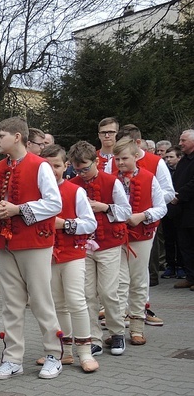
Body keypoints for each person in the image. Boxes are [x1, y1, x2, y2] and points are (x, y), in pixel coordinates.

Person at [0, 117, 63, 380]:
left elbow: (55, 204)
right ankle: (12, 358)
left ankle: (54, 354)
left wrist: (18, 209)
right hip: (6, 242)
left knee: (42, 300)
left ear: (17, 137)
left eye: (1, 136)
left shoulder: (40, 165)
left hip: (34, 241)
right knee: (12, 303)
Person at [68, 141, 131, 356]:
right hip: (83, 246)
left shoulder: (111, 182)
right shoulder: (73, 184)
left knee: (108, 292)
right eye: (78, 170)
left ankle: (117, 332)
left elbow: (126, 212)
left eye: (86, 168)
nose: (82, 173)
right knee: (87, 295)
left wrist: (104, 207)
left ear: (96, 162)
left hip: (109, 244)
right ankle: (93, 338)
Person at [39, 145, 98, 373]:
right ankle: (64, 351)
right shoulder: (37, 192)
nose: (52, 170)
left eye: (56, 165)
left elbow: (90, 223)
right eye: (47, 165)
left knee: (76, 300)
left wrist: (66, 224)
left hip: (72, 253)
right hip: (45, 254)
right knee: (57, 304)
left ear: (66, 166)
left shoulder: (75, 191)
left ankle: (85, 350)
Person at [113, 137, 166, 347]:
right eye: (117, 159)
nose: (120, 163)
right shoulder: (112, 180)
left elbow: (162, 207)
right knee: (118, 282)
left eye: (124, 158)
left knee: (138, 281)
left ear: (136, 156)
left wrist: (142, 215)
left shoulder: (149, 178)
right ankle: (117, 328)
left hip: (141, 235)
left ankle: (137, 327)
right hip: (117, 236)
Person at [172, 129, 194, 290]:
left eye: (183, 140)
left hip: (191, 207)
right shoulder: (184, 160)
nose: (180, 144)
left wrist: (179, 195)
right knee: (185, 245)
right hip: (182, 212)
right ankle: (190, 276)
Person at [162, 146, 185, 279]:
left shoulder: (183, 171)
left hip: (180, 208)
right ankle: (170, 265)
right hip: (167, 208)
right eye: (167, 157)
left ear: (179, 158)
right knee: (168, 239)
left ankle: (181, 266)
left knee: (180, 239)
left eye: (171, 157)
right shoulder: (165, 172)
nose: (168, 160)